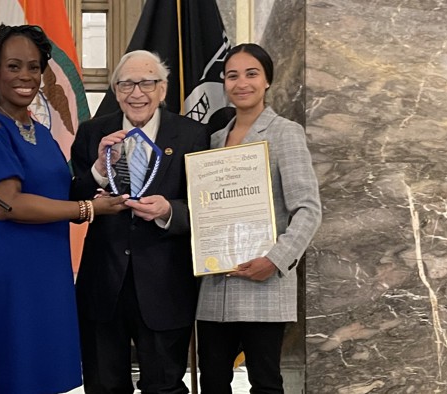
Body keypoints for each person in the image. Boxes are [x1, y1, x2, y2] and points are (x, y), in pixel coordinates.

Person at [0, 24, 128, 393]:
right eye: (14, 66)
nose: (25, 76)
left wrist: (99, 173)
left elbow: (55, 190)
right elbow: (8, 204)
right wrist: (86, 210)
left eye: (34, 67)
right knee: (16, 370)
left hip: (47, 266)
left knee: (44, 371)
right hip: (11, 267)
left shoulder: (38, 129)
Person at [70, 50, 209, 394]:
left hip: (166, 287)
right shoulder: (92, 133)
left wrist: (169, 212)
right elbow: (74, 196)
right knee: (103, 386)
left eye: (147, 82)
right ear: (115, 90)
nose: (137, 93)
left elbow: (207, 208)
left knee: (164, 387)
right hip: (103, 286)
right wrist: (97, 172)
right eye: (127, 84)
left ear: (163, 89)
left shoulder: (193, 135)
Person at [195, 43, 322, 393]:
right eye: (232, 75)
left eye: (252, 74)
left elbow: (309, 209)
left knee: (265, 384)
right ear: (224, 82)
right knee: (212, 384)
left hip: (263, 285)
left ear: (267, 80)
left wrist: (275, 260)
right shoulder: (215, 139)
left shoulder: (285, 133)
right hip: (215, 285)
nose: (241, 83)